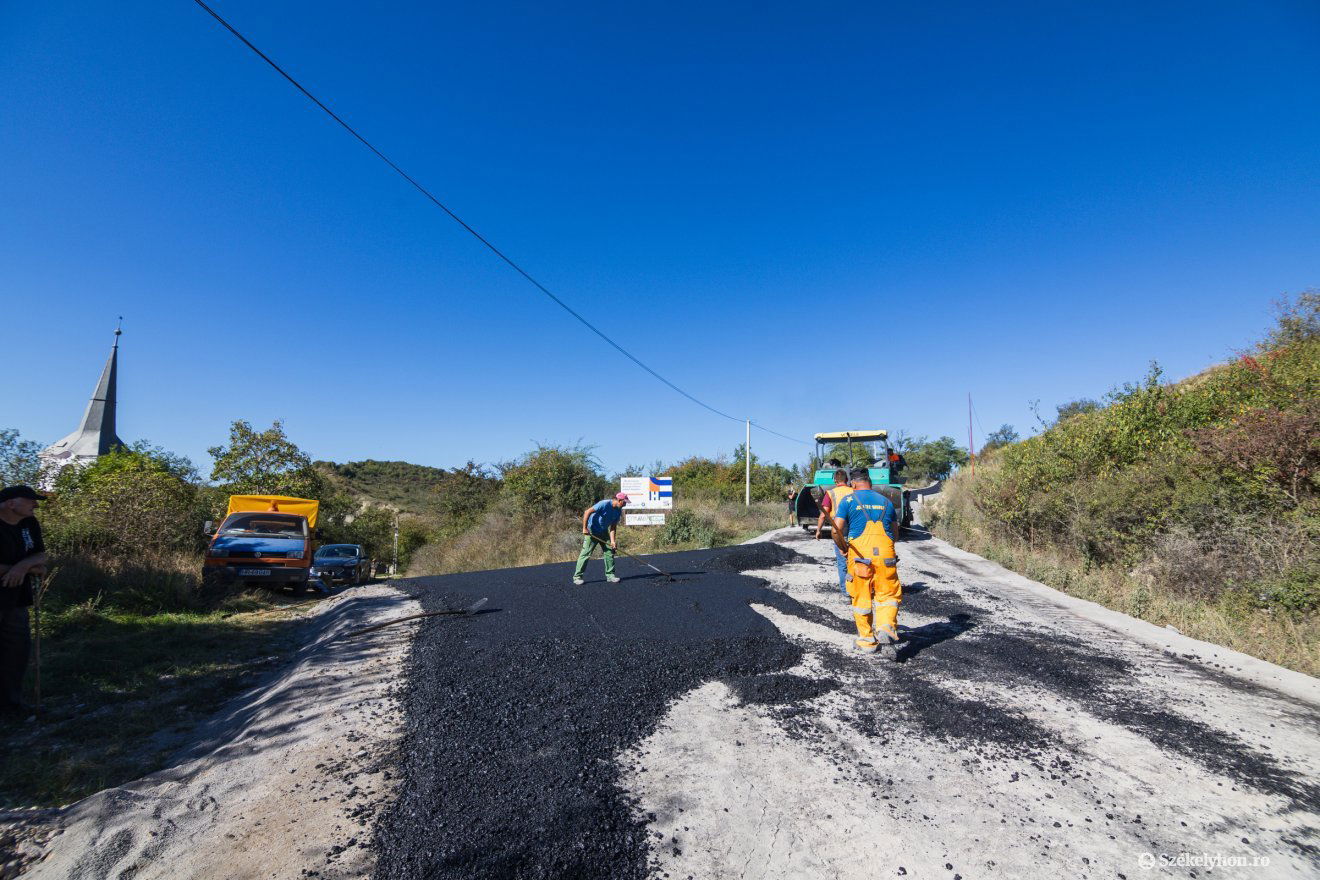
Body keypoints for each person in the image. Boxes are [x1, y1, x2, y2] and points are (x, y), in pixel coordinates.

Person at [832, 467, 901, 660]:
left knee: (861, 597)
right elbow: (895, 534)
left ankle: (867, 641)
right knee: (887, 594)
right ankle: (886, 627)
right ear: (869, 482)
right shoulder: (886, 502)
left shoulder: (848, 500)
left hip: (860, 555)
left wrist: (843, 547)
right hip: (886, 555)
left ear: (853, 483)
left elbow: (836, 531)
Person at [0, 486, 49, 715]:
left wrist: (22, 567)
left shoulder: (29, 524)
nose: (35, 505)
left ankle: (11, 704)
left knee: (16, 650)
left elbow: (40, 555)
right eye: (30, 501)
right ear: (11, 503)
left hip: (17, 598)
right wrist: (25, 569)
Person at [573, 492, 629, 585]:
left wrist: (612, 541)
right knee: (586, 553)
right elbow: (587, 512)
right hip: (592, 531)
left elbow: (613, 527)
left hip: (603, 532)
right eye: (624, 502)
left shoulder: (618, 510)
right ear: (619, 500)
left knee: (609, 551)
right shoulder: (604, 504)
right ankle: (577, 577)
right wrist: (584, 528)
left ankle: (610, 575)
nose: (625, 504)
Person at [814, 468, 853, 597]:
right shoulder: (854, 491)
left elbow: (823, 515)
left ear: (835, 480)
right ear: (846, 479)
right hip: (854, 527)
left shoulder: (830, 493)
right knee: (855, 558)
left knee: (842, 561)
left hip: (838, 529)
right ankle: (859, 587)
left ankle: (846, 591)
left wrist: (818, 530)